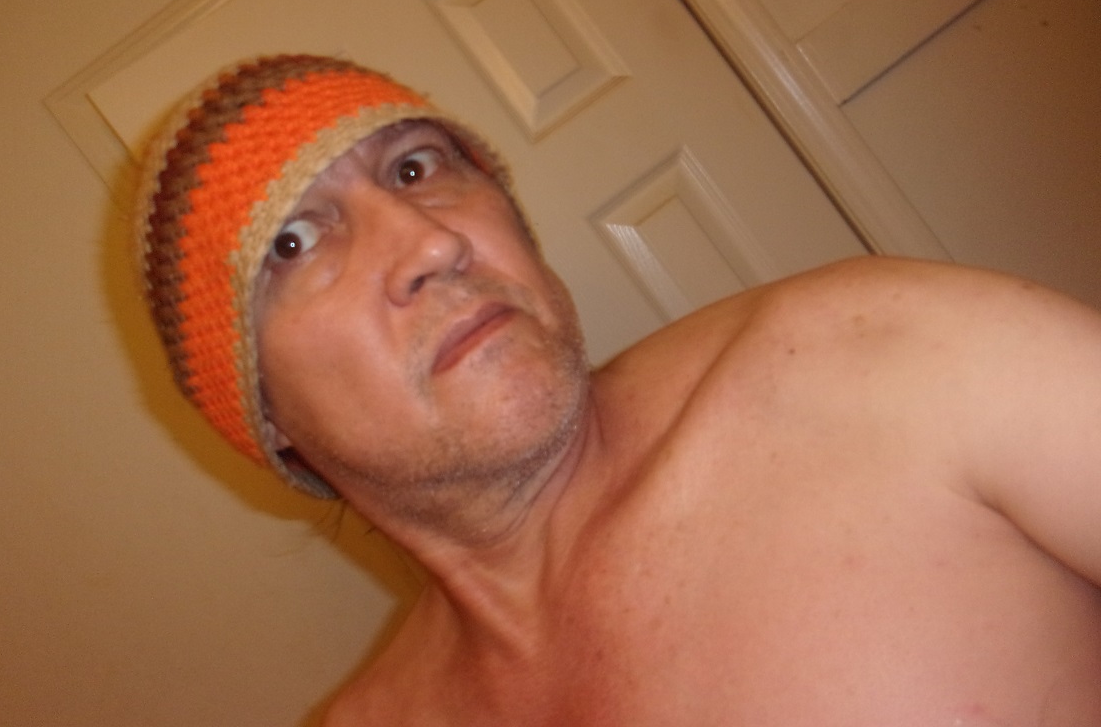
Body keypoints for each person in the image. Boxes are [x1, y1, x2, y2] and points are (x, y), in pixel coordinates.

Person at [135, 54, 1101, 725]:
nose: (429, 242)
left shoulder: (891, 359)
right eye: (294, 243)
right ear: (264, 416)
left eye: (417, 168)